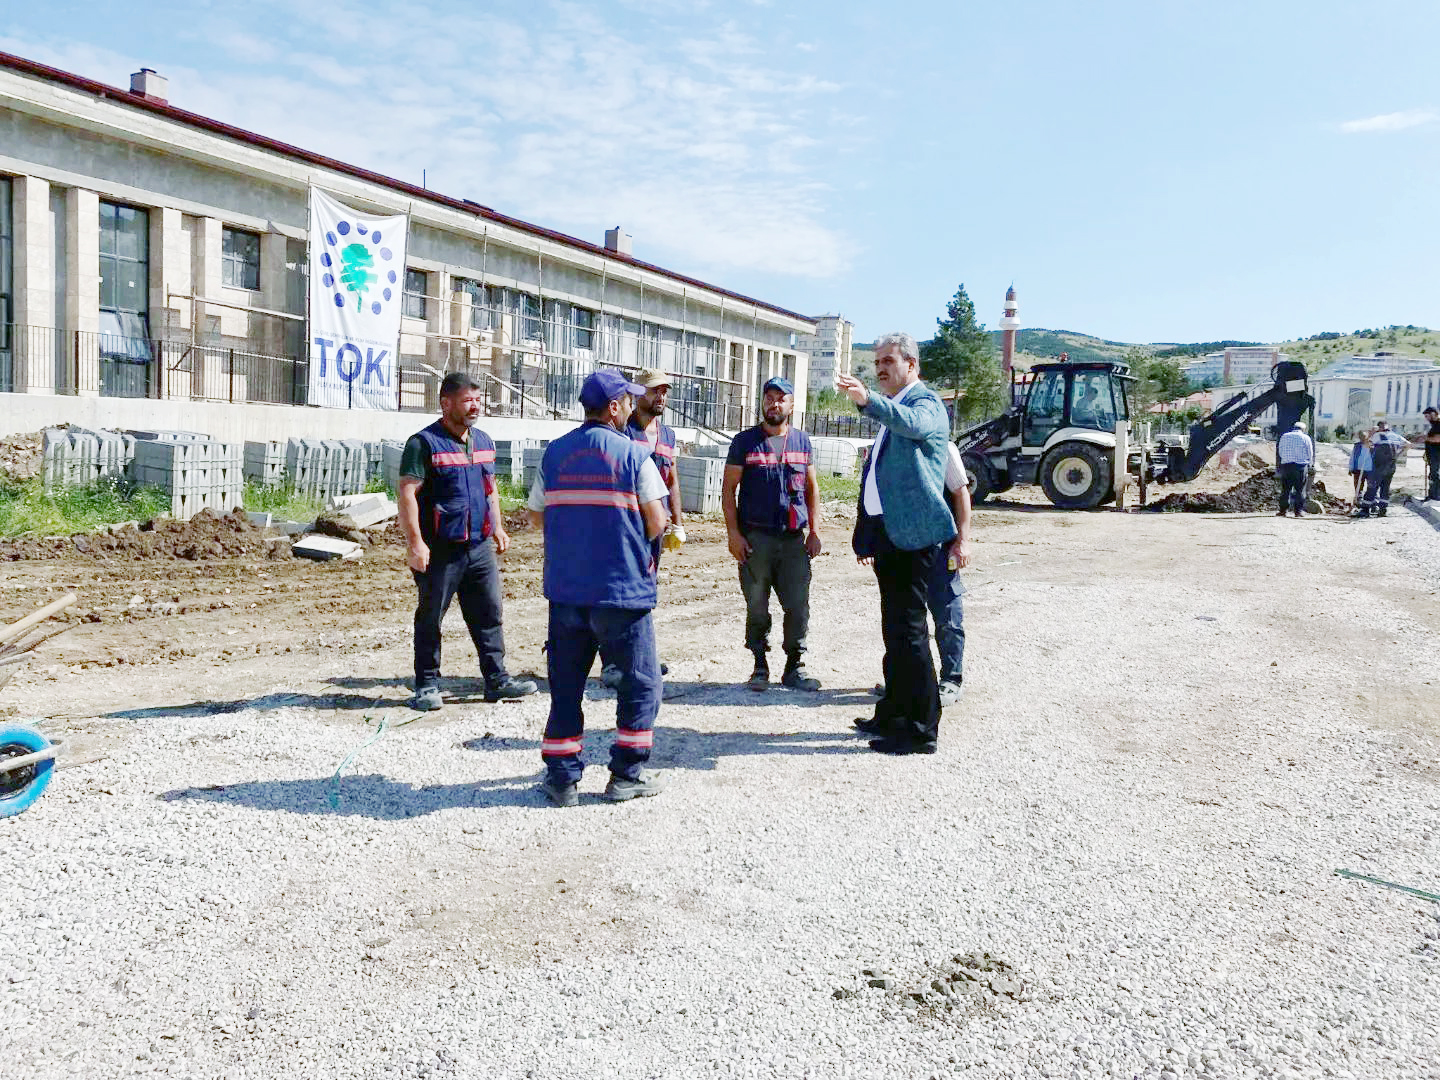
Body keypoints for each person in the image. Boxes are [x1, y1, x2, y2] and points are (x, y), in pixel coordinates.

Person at [528, 369, 669, 806]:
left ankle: (563, 779)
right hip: (621, 593)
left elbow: (536, 517)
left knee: (567, 685)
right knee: (640, 683)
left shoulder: (555, 454)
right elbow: (657, 521)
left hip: (567, 591)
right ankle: (626, 774)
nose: (631, 405)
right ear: (613, 408)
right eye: (627, 400)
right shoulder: (632, 456)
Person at [838, 332, 956, 756]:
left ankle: (922, 729)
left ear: (911, 365)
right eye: (877, 362)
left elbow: (915, 427)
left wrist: (868, 399)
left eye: (888, 360)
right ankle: (893, 712)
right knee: (895, 631)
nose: (881, 368)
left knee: (909, 633)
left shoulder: (924, 404)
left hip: (913, 536)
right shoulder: (899, 407)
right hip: (890, 534)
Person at [397, 372, 538, 711]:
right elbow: (406, 493)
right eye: (467, 401)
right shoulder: (424, 443)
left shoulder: (484, 441)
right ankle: (427, 684)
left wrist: (499, 528)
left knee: (489, 614)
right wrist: (416, 543)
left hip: (479, 548)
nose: (475, 406)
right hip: (441, 551)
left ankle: (496, 679)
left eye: (478, 399)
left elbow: (490, 488)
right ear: (446, 403)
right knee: (431, 617)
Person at [722, 376, 823, 692]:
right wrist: (734, 535)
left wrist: (815, 531)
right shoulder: (744, 442)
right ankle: (759, 665)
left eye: (781, 398)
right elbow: (728, 491)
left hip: (794, 540)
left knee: (797, 605)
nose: (774, 403)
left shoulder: (802, 442)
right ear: (762, 402)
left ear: (792, 405)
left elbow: (811, 489)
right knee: (757, 604)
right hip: (756, 540)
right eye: (769, 397)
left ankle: (795, 666)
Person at [861, 440, 972, 707]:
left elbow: (960, 493)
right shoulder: (885, 447)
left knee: (947, 615)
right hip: (898, 550)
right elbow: (871, 496)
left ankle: (951, 680)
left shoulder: (942, 447)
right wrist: (869, 542)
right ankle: (905, 681)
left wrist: (962, 541)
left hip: (937, 549)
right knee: (904, 621)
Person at [597, 367, 684, 689]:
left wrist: (678, 522)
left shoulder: (668, 435)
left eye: (664, 391)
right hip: (622, 528)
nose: (660, 397)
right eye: (653, 390)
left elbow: (671, 480)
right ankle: (612, 663)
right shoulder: (621, 430)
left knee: (644, 593)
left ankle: (638, 656)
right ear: (637, 394)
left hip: (653, 530)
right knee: (615, 594)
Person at [1359, 420, 1406, 518]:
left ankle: (1365, 510)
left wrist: (1371, 433)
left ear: (1379, 427)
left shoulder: (1379, 435)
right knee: (1385, 487)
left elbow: (1366, 444)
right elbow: (1409, 444)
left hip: (1379, 465)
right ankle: (1382, 510)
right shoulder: (1396, 436)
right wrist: (1398, 455)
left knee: (1372, 486)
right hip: (1391, 466)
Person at [1275, 419, 1314, 518]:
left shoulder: (1284, 436)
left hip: (1287, 466)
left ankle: (1283, 511)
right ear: (1303, 429)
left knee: (1285, 489)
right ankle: (1298, 512)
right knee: (1300, 490)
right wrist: (1310, 465)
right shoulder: (1305, 438)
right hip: (1300, 467)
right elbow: (1310, 453)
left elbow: (1280, 451)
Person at [1419, 406, 1440, 502]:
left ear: (1433, 414)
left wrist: (1425, 439)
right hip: (1433, 456)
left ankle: (1436, 497)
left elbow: (1438, 439)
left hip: (1437, 456)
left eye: (1427, 416)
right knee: (1432, 476)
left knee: (1436, 476)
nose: (1426, 419)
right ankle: (1432, 496)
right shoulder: (1434, 426)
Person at [1348, 429, 1373, 500]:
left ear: (1367, 436)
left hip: (1369, 469)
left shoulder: (1372, 445)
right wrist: (1350, 468)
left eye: (1364, 436)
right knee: (1358, 486)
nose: (1362, 438)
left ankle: (1369, 500)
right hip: (1358, 469)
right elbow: (1352, 457)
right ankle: (1358, 499)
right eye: (1361, 436)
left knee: (1371, 487)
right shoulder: (1357, 446)